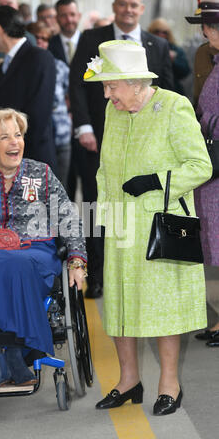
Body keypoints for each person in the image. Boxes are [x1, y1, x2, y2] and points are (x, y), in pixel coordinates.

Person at [84, 40, 212, 415]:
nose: (107, 94)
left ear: (137, 82)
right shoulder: (114, 111)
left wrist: (154, 181)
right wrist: (102, 219)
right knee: (121, 305)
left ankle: (169, 383)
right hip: (122, 224)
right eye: (105, 87)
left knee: (162, 307)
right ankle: (128, 381)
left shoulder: (173, 106)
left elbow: (199, 166)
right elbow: (105, 169)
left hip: (160, 224)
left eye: (112, 86)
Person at [0, 108, 87, 393]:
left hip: (32, 248)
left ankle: (16, 356)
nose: (14, 143)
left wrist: (76, 259)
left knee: (18, 266)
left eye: (18, 136)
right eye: (4, 137)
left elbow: (69, 218)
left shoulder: (39, 173)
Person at [69, 0, 175, 300]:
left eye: (135, 5)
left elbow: (168, 89)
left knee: (138, 207)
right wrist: (85, 127)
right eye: (124, 4)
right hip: (99, 139)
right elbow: (76, 85)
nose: (129, 9)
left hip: (146, 145)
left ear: (142, 9)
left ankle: (140, 272)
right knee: (96, 206)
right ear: (114, 7)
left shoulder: (156, 43)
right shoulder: (92, 39)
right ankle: (99, 276)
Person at [0, 5, 57, 173]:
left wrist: (14, 155)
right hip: (5, 162)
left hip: (32, 162)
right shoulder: (0, 69)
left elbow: (38, 116)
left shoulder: (40, 58)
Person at [186, 0, 219, 346]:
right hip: (212, 164)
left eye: (208, 26)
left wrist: (204, 125)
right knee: (212, 244)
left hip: (216, 157)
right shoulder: (211, 60)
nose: (204, 31)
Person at [27, 21, 72, 191]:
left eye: (45, 39)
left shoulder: (60, 66)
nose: (40, 42)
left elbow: (71, 96)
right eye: (36, 37)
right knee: (32, 192)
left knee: (60, 189)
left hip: (61, 136)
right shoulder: (23, 67)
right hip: (35, 138)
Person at [148, 17, 191, 95]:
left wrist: (174, 60)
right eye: (157, 31)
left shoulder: (175, 49)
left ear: (169, 34)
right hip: (149, 88)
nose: (160, 35)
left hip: (171, 90)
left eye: (164, 32)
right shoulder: (145, 47)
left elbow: (186, 71)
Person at [48, 0, 81, 66]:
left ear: (79, 16)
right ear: (56, 18)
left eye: (72, 14)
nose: (69, 20)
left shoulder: (90, 42)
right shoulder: (49, 44)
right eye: (63, 15)